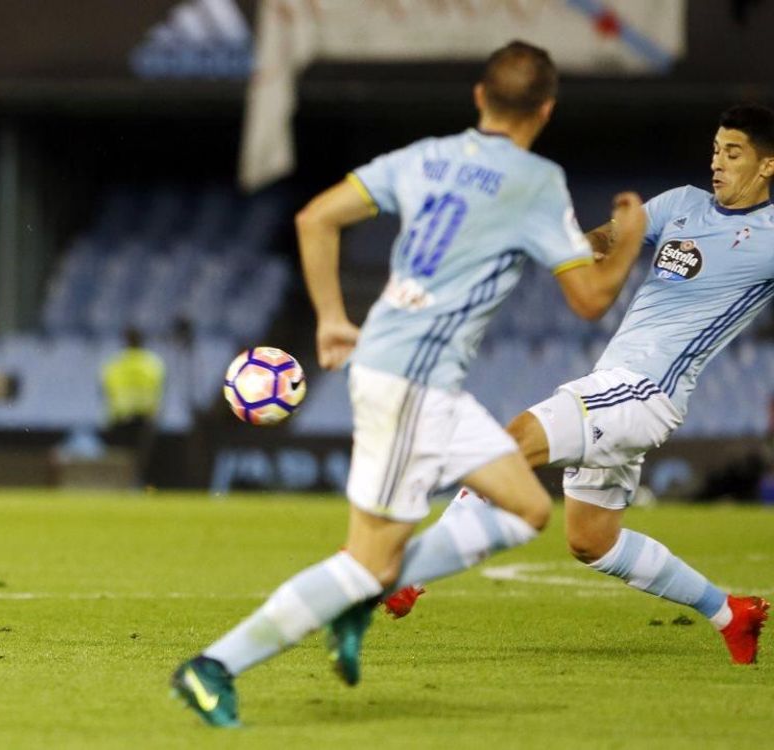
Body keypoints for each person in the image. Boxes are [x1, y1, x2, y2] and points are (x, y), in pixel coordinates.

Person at [170, 40, 647, 727]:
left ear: (480, 98)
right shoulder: (536, 182)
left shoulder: (423, 157)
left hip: (423, 380)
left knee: (524, 509)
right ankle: (214, 666)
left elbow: (315, 218)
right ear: (545, 110)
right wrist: (628, 238)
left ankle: (366, 596)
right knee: (367, 561)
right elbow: (591, 299)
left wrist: (333, 318)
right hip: (410, 382)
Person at [343, 104, 774, 667]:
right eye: (716, 149)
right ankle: (730, 614)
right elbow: (601, 238)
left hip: (647, 392)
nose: (717, 162)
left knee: (509, 444)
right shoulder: (681, 205)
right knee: (592, 540)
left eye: (733, 153)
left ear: (767, 166)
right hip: (617, 384)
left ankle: (404, 577)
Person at [101, 327, 165, 483]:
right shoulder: (152, 363)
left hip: (120, 416)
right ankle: (139, 484)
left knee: (121, 456)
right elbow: (158, 390)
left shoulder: (115, 363)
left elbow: (106, 389)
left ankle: (120, 483)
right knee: (141, 456)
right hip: (144, 417)